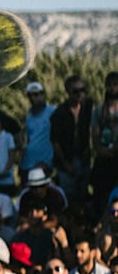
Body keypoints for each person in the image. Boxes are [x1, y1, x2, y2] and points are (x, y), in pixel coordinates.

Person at [50, 74, 92, 206]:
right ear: (68, 92)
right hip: (66, 160)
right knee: (68, 198)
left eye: (82, 90)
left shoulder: (88, 106)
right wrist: (65, 163)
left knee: (84, 195)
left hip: (84, 158)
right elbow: (55, 141)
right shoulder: (59, 114)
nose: (80, 94)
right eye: (76, 91)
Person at [91, 71, 118, 213]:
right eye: (110, 85)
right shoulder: (99, 110)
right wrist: (101, 150)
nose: (112, 88)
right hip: (103, 158)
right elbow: (95, 135)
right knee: (101, 194)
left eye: (115, 84)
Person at [19, 82, 55, 180]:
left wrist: (50, 162)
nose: (33, 98)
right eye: (30, 95)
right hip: (27, 163)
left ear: (42, 95)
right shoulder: (29, 117)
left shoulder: (52, 111)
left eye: (36, 94)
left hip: (45, 163)